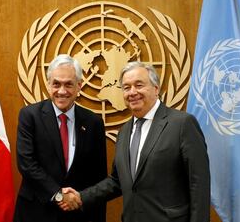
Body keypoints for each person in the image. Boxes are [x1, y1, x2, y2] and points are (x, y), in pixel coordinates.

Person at [60, 61, 210, 222]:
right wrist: (81, 197)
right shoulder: (124, 132)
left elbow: (199, 184)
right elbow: (117, 181)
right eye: (126, 87)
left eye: (139, 85)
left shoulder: (182, 124)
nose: (132, 92)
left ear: (156, 88)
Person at [13, 54, 107, 222]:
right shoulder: (30, 116)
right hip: (36, 212)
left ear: (79, 86)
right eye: (56, 84)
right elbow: (26, 164)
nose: (62, 91)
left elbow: (98, 177)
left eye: (69, 84)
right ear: (49, 85)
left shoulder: (94, 122)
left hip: (78, 214)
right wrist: (58, 195)